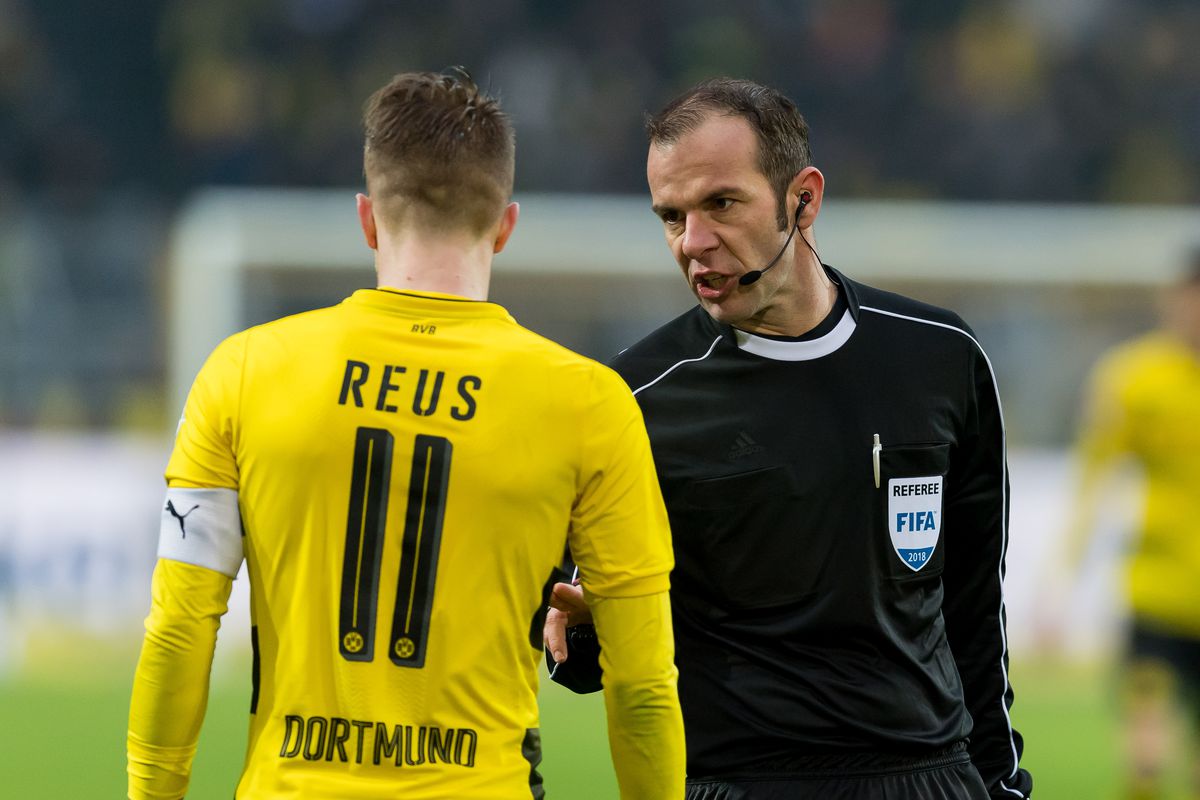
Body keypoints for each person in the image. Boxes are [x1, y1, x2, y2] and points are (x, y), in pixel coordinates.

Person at [127, 68, 685, 800]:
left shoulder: (243, 372)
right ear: (506, 226)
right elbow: (643, 684)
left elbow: (179, 629)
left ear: (367, 219)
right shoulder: (588, 402)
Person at [545, 78, 1033, 799]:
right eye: (671, 216)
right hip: (741, 782)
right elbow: (575, 658)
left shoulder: (941, 359)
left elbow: (975, 615)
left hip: (929, 779)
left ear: (803, 199)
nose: (692, 242)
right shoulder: (631, 400)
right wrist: (596, 624)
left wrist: (1003, 786)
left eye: (721, 204)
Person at [1056, 250, 1200, 799]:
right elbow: (1095, 477)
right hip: (1156, 590)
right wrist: (1066, 570)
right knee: (1146, 757)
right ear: (1173, 300)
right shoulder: (1135, 377)